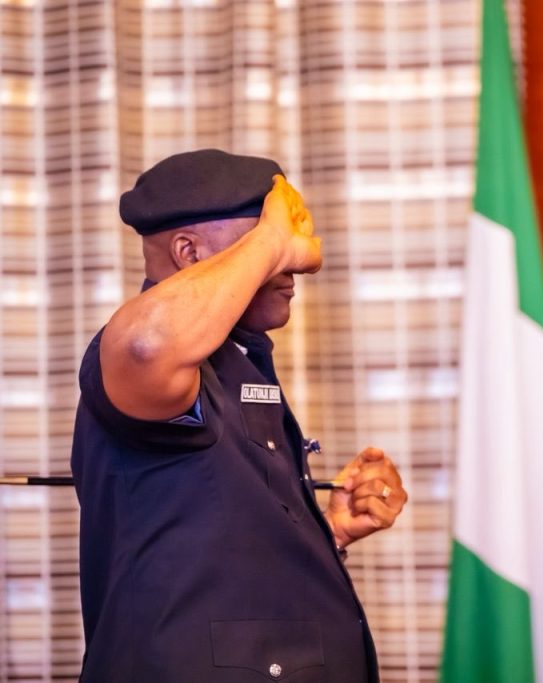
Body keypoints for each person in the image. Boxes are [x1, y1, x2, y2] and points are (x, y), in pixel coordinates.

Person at [70, 149, 408, 682]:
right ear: (188, 252)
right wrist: (271, 242)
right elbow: (147, 344)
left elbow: (208, 542)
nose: (297, 260)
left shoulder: (239, 360)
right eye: (270, 237)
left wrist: (326, 535)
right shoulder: (143, 357)